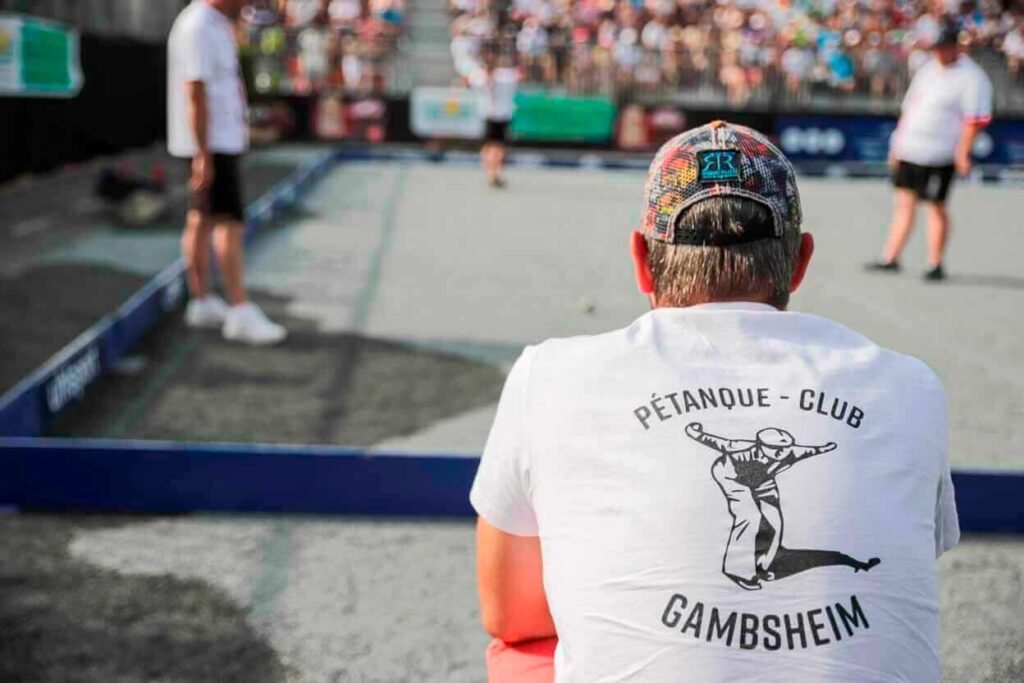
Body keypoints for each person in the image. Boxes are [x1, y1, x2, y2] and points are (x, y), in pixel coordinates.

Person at [473, 121, 958, 682]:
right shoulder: (911, 385)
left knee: (523, 654)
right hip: (754, 509)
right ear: (800, 263)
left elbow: (510, 614)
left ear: (640, 259)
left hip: (743, 508)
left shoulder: (548, 373)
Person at [168, 0, 287, 344]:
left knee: (202, 219)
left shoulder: (216, 24)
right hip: (212, 145)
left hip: (216, 142)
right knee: (228, 223)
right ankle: (240, 309)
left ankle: (203, 300)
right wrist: (204, 154)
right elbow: (195, 92)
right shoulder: (199, 26)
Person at [867, 19, 993, 280]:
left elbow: (975, 119)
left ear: (955, 46)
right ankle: (891, 256)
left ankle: (934, 263)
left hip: (940, 152)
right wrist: (896, 145)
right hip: (910, 148)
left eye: (943, 47)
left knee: (936, 205)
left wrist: (962, 151)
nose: (938, 52)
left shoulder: (972, 77)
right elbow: (910, 109)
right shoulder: (928, 70)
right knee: (904, 202)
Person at [470, 48, 519, 188]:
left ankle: (493, 173)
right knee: (493, 147)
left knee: (495, 147)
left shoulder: (503, 76)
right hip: (493, 116)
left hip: (498, 116)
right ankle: (492, 173)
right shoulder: (483, 77)